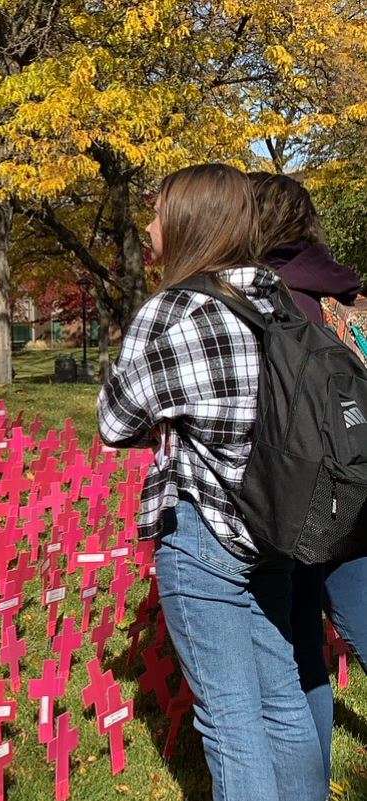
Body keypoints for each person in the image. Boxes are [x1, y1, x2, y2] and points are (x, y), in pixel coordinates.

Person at [99, 163, 324, 801]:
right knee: (281, 698)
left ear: (190, 223)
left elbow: (115, 421)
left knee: (228, 718)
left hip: (205, 530)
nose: (148, 227)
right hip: (275, 520)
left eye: (159, 212)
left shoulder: (174, 309)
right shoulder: (276, 300)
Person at [250, 171, 367, 778]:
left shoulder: (266, 300)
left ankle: (308, 780)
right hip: (361, 485)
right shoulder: (346, 292)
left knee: (299, 650)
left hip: (301, 496)